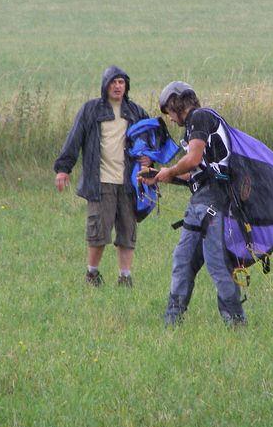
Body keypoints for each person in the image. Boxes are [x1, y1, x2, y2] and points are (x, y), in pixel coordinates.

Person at [146, 81, 247, 326]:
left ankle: (235, 319)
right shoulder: (194, 126)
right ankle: (173, 317)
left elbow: (192, 160)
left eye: (168, 112)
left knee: (216, 262)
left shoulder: (199, 117)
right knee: (183, 259)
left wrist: (170, 169)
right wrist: (159, 175)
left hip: (215, 200)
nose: (169, 119)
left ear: (176, 104)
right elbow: (195, 173)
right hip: (201, 200)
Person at [54, 66, 150, 287]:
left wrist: (149, 160)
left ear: (126, 86)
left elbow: (152, 139)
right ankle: (92, 274)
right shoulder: (90, 110)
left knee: (128, 231)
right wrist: (63, 169)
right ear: (105, 85)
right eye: (113, 82)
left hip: (129, 183)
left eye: (121, 82)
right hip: (100, 182)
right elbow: (74, 138)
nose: (117, 86)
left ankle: (125, 277)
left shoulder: (136, 112)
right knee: (98, 231)